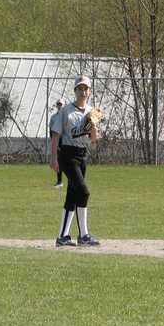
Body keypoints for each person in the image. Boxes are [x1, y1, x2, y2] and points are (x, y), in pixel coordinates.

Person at [49, 75, 100, 247]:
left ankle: (62, 237)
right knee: (83, 192)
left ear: (89, 92)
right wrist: (53, 158)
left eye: (86, 89)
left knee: (72, 196)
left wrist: (94, 127)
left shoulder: (91, 111)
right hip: (67, 154)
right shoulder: (66, 111)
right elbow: (55, 136)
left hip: (82, 155)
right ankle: (84, 235)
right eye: (80, 88)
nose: (83, 92)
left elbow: (93, 141)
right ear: (75, 91)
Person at [49, 98, 66, 188]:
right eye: (58, 104)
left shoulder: (67, 116)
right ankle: (59, 182)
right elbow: (51, 131)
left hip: (66, 140)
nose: (59, 106)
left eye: (61, 104)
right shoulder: (53, 117)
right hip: (58, 140)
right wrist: (54, 142)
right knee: (58, 161)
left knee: (68, 161)